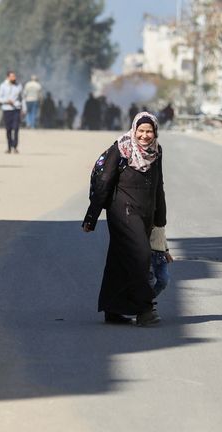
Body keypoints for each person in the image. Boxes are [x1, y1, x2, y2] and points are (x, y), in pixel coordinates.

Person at [83, 112, 166, 327]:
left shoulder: (156, 151)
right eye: (141, 131)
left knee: (119, 260)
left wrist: (160, 221)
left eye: (149, 131)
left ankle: (113, 308)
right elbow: (104, 182)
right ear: (134, 130)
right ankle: (145, 309)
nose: (145, 135)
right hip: (122, 212)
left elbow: (159, 187)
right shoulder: (120, 149)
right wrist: (91, 217)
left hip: (145, 214)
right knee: (141, 255)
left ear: (155, 132)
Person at [0, 70, 22, 153]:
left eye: (14, 76)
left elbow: (22, 98)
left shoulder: (18, 86)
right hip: (7, 109)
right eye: (12, 76)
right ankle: (9, 146)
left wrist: (23, 108)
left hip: (16, 109)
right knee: (8, 129)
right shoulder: (3, 86)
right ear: (8, 77)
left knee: (16, 128)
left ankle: (15, 146)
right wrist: (6, 101)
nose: (14, 78)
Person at [149, 226, 173, 298]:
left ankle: (147, 300)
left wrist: (167, 252)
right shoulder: (146, 217)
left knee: (164, 280)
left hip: (161, 256)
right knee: (150, 282)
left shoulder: (160, 220)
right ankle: (146, 303)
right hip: (149, 254)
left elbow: (163, 236)